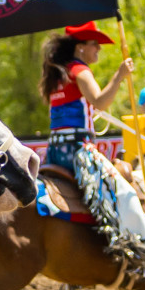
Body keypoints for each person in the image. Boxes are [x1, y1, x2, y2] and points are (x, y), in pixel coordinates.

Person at [38, 24, 132, 179]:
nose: (99, 48)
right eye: (94, 43)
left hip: (54, 150)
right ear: (80, 47)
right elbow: (100, 102)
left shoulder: (57, 75)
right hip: (77, 149)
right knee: (119, 187)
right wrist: (119, 75)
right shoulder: (80, 70)